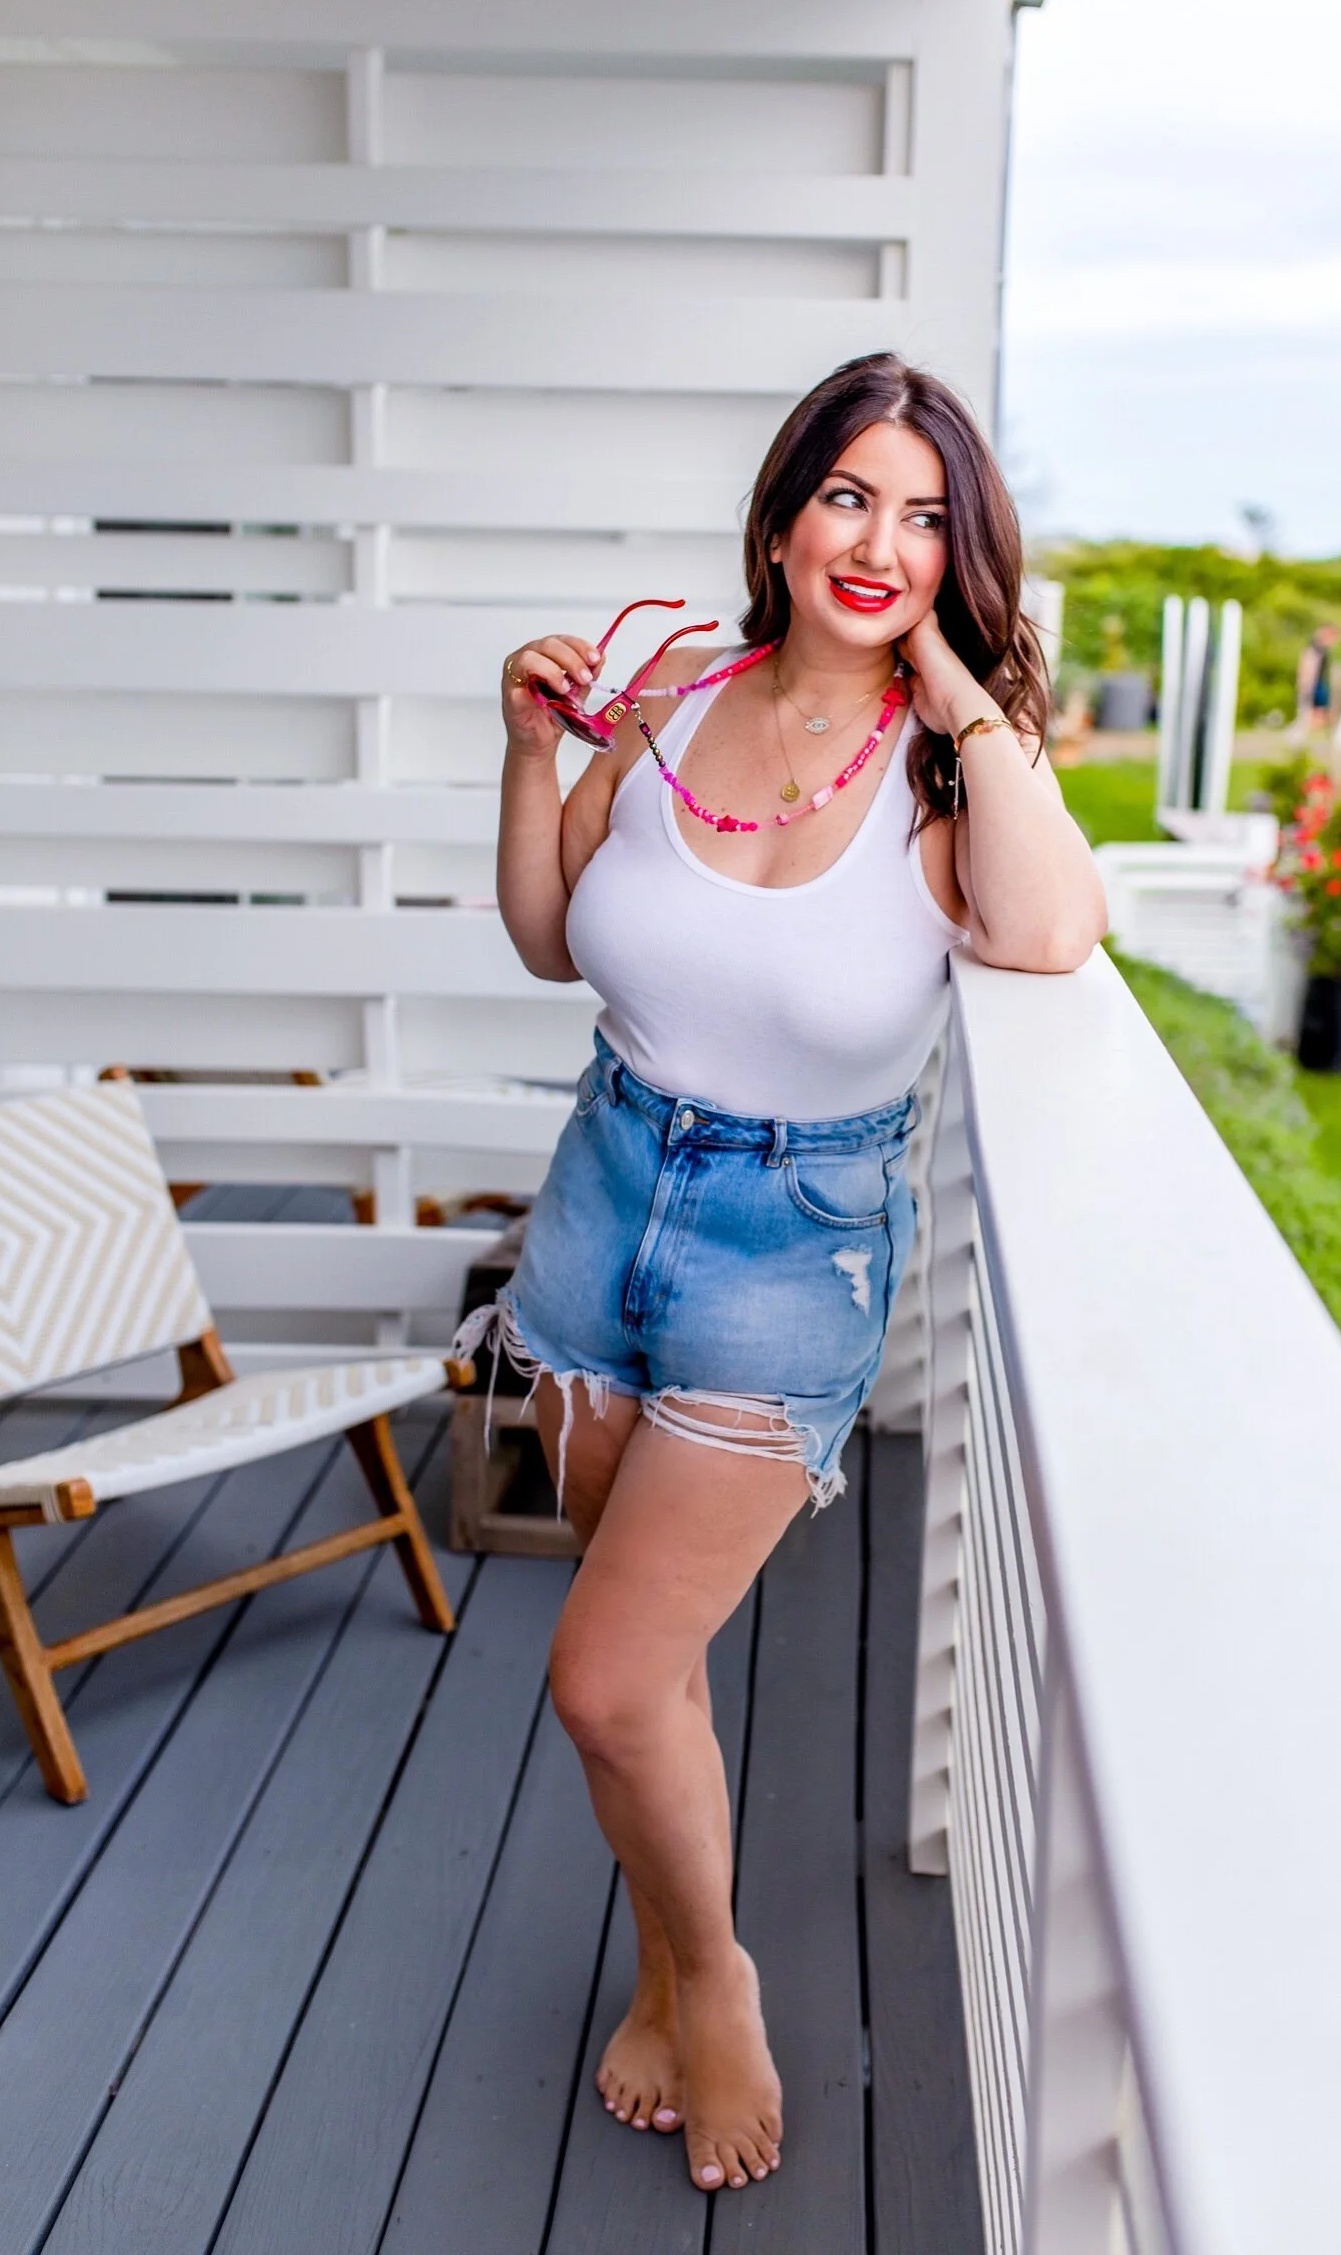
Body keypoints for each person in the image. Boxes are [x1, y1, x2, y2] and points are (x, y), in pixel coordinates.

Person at [474, 353, 1107, 2199]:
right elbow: (550, 938)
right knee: (646, 1668)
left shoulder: (946, 774)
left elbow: (1051, 934)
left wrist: (955, 683)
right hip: (596, 1205)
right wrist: (530, 753)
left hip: (790, 1251)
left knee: (603, 1681)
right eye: (847, 495)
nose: (878, 542)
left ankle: (720, 1979)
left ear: (958, 560)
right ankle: (671, 1969)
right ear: (779, 517)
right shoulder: (676, 696)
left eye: (927, 518)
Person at [1295, 621, 1341, 739]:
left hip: (1319, 683)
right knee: (1314, 712)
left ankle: (1312, 731)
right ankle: (1304, 732)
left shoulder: (1322, 651)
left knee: (1321, 712)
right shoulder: (1313, 651)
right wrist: (1304, 683)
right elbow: (1306, 668)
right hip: (1313, 684)